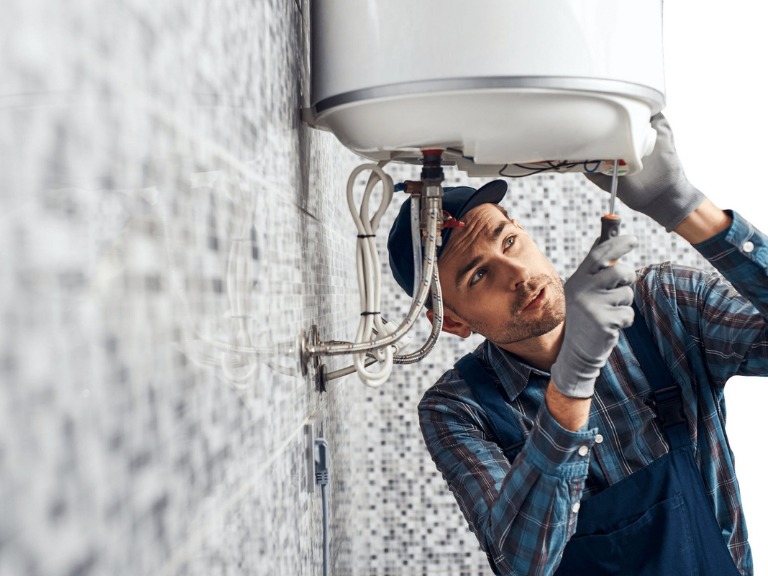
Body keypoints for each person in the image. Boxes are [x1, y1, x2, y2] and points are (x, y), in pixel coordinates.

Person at [386, 114, 764, 575]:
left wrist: (684, 207)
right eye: (479, 274)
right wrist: (572, 384)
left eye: (508, 241)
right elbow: (523, 563)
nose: (518, 274)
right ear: (453, 322)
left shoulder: (663, 305)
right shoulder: (458, 410)